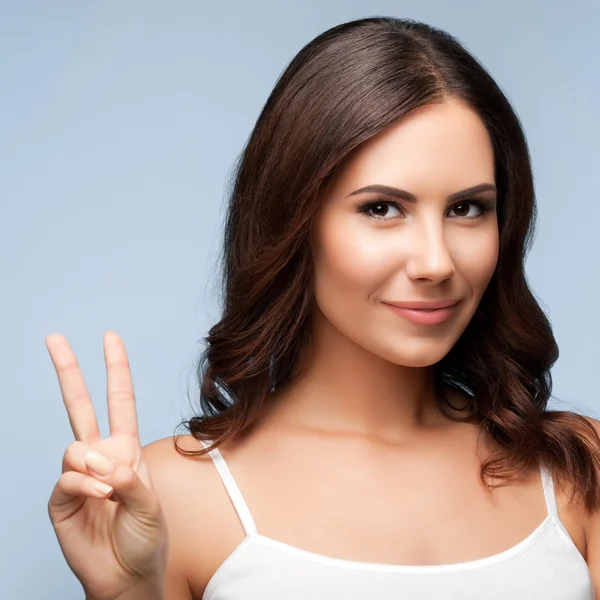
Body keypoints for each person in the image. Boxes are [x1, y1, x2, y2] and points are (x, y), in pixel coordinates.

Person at [46, 16, 600, 600]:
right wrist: (126, 593)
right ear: (294, 220)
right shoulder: (172, 493)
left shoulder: (578, 469)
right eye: (383, 209)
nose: (436, 262)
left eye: (466, 209)